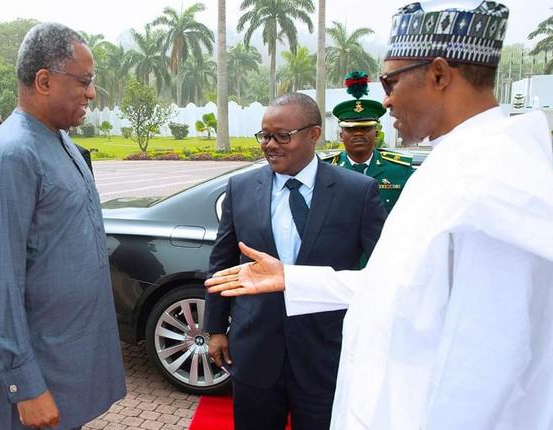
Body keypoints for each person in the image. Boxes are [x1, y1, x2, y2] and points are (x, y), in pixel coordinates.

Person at [205, 2, 553, 429]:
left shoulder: (496, 185)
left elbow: (485, 365)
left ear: (439, 74)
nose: (384, 101)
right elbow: (401, 287)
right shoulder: (455, 164)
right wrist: (293, 279)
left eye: (390, 82)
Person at [0, 22, 125, 430]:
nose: (91, 92)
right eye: (85, 81)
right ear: (44, 81)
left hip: (66, 360)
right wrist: (25, 385)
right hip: (37, 372)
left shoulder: (60, 141)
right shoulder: (12, 154)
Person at [204, 93, 387, 430]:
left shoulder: (357, 192)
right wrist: (215, 328)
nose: (270, 145)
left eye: (282, 136)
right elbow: (222, 262)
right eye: (265, 136)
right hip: (256, 348)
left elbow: (384, 271)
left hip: (325, 351)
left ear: (314, 133)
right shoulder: (242, 187)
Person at [328, 71, 414, 213]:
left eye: (365, 128)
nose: (358, 133)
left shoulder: (400, 170)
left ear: (376, 133)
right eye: (351, 129)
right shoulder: (327, 168)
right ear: (341, 135)